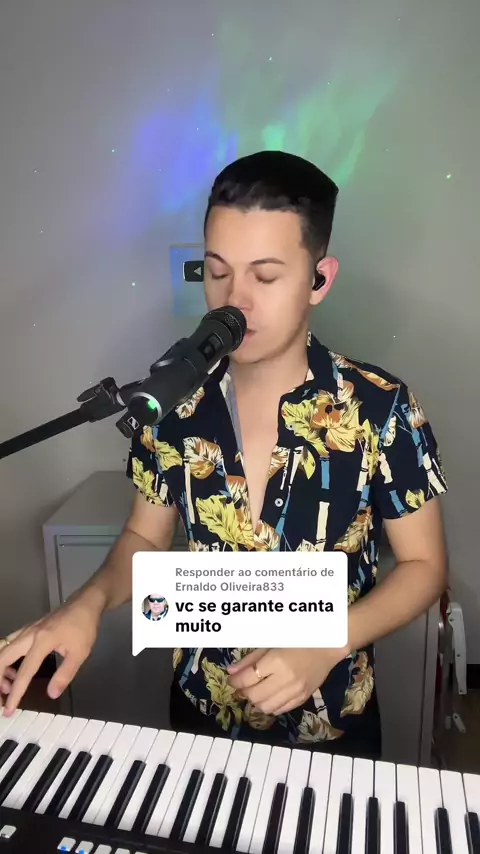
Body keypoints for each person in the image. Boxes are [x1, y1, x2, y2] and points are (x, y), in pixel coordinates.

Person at [0, 150, 448, 760]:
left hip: (333, 728)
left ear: (319, 279)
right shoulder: (173, 404)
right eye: (217, 272)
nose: (234, 302)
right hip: (200, 719)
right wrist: (86, 604)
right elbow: (144, 536)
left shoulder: (381, 406)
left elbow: (425, 566)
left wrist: (329, 643)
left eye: (265, 277)